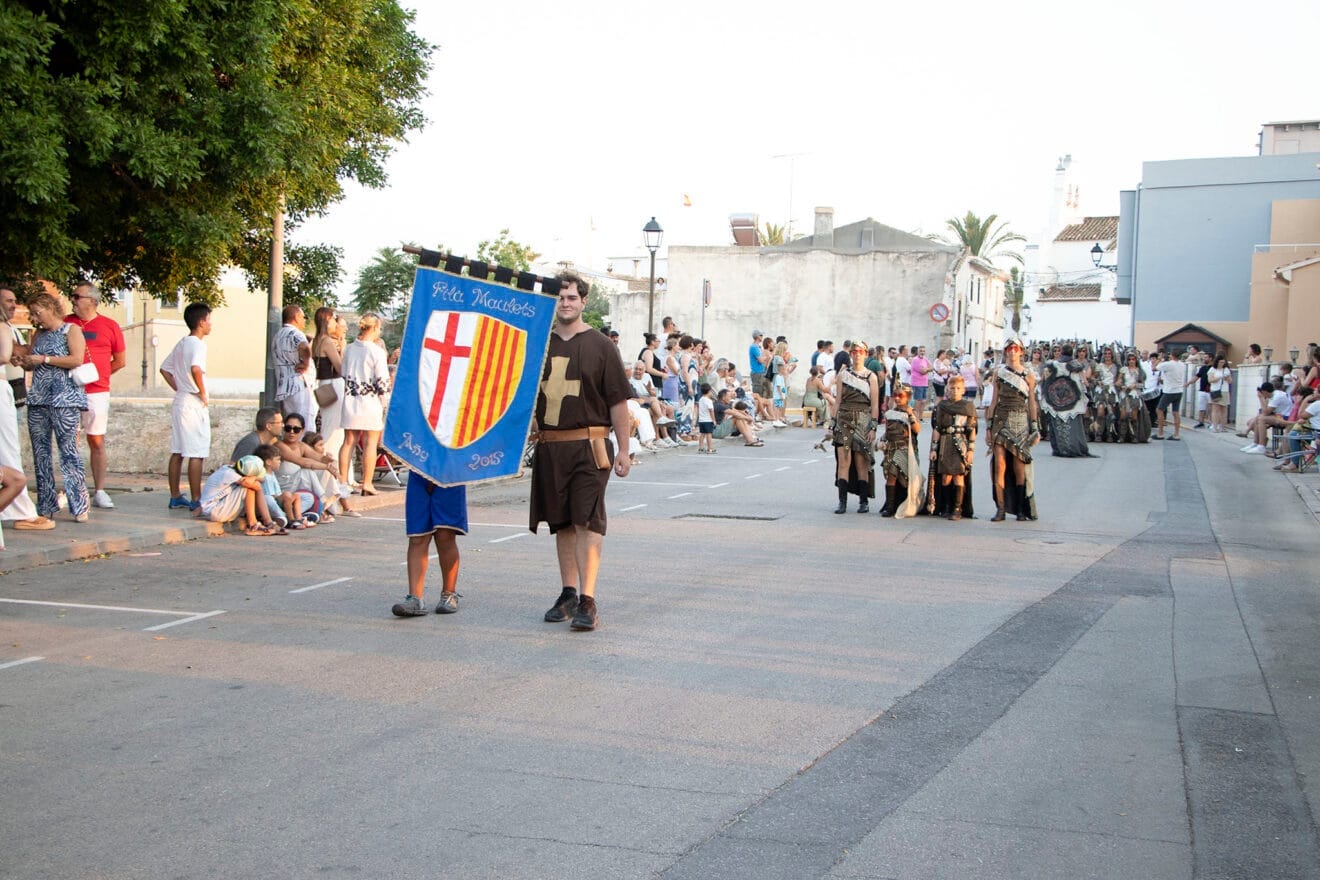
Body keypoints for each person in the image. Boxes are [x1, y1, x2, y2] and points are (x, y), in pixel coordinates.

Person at [531, 271, 632, 632]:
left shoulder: (602, 346)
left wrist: (624, 450)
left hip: (590, 446)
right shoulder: (539, 344)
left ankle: (588, 599)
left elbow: (618, 402)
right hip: (551, 447)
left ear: (583, 301)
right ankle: (568, 593)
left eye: (572, 297)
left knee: (586, 519)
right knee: (561, 522)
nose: (565, 303)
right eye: (560, 298)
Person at [18, 293, 90, 523]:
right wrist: (26, 362)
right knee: (40, 453)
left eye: (37, 313)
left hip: (64, 398)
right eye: (32, 314)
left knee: (69, 452)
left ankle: (79, 504)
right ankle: (46, 504)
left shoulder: (71, 330)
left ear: (50, 308)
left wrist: (45, 359)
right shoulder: (38, 334)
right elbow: (33, 360)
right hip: (39, 398)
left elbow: (76, 359)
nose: (35, 318)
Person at [64, 282, 126, 509]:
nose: (72, 300)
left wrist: (96, 375)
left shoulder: (109, 325)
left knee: (96, 440)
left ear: (92, 300)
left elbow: (120, 360)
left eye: (77, 296)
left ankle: (99, 490)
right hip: (69, 389)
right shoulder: (66, 322)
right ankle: (72, 489)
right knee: (69, 440)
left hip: (97, 391)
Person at [0, 287, 53, 530]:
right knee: (8, 448)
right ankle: (22, 510)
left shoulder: (9, 327)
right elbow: (6, 355)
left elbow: (19, 355)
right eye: (8, 301)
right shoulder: (2, 326)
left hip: (11, 390)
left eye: (14, 301)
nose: (13, 305)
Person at [390, 471, 468, 617]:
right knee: (418, 536)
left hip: (450, 472)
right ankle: (415, 598)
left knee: (445, 535)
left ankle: (449, 593)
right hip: (419, 471)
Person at [160, 303, 212, 510]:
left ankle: (175, 495)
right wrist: (201, 391)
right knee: (196, 452)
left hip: (181, 399)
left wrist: (179, 387)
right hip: (192, 402)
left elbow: (165, 369)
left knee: (178, 450)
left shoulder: (182, 343)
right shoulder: (198, 345)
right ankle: (196, 498)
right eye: (209, 320)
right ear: (201, 322)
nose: (210, 325)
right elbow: (196, 368)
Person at [985, 337, 1039, 522]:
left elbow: (1031, 403)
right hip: (1001, 420)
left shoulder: (1028, 375)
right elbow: (994, 401)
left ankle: (1021, 508)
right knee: (999, 465)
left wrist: (1034, 427)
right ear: (1005, 351)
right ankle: (1000, 509)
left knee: (1019, 465)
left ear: (1021, 351)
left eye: (1016, 348)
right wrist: (988, 427)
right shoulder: (998, 372)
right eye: (1009, 348)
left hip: (1020, 421)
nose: (1012, 351)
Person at [338, 313, 391, 494]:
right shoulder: (377, 352)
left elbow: (344, 373)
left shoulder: (349, 349)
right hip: (370, 401)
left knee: (348, 441)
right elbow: (382, 381)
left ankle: (343, 482)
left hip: (351, 398)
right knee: (370, 443)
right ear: (375, 327)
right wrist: (385, 402)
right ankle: (367, 483)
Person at [830, 341, 880, 514]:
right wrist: (831, 424)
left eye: (860, 351)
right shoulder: (843, 375)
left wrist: (873, 427)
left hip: (863, 421)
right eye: (854, 351)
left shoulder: (871, 377)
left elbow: (875, 405)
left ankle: (863, 501)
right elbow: (837, 401)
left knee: (861, 462)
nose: (857, 354)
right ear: (850, 354)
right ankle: (842, 502)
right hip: (843, 420)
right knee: (843, 462)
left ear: (865, 354)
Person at [924, 373, 976, 519]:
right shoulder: (942, 406)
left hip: (961, 443)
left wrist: (971, 450)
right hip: (945, 443)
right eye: (952, 388)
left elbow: (972, 430)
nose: (955, 391)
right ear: (947, 390)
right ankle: (947, 506)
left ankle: (957, 508)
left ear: (963, 390)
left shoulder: (968, 407)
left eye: (958, 388)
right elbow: (937, 428)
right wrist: (934, 449)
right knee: (946, 477)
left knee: (958, 476)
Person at [197, 455, 281, 536]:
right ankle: (253, 525)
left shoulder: (231, 468)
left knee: (254, 484)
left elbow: (262, 479)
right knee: (250, 487)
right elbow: (255, 485)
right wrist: (255, 481)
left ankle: (268, 522)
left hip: (217, 508)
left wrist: (254, 478)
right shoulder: (229, 473)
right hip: (214, 510)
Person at [1039, 344, 1092, 457]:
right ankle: (1073, 447)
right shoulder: (1077, 366)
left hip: (1055, 399)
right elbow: (1084, 383)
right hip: (1072, 400)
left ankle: (1059, 449)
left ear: (1062, 352)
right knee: (1073, 424)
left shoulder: (1051, 365)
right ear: (1072, 353)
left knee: (1057, 423)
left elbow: (1044, 381)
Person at [878, 383, 921, 518]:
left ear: (908, 397)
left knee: (902, 478)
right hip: (891, 449)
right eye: (895, 395)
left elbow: (917, 429)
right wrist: (882, 441)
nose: (897, 398)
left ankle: (902, 503)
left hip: (905, 449)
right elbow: (887, 432)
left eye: (900, 396)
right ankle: (890, 506)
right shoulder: (890, 413)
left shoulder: (912, 412)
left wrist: (910, 415)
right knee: (891, 476)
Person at [310, 306, 346, 462]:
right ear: (327, 321)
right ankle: (328, 460)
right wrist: (342, 349)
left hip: (324, 384)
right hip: (334, 384)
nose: (335, 323)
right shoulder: (327, 341)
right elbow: (340, 367)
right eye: (333, 320)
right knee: (334, 428)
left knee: (328, 423)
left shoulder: (317, 340)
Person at [273, 304, 316, 424]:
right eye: (303, 317)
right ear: (296, 317)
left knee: (292, 421)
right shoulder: (295, 333)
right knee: (305, 421)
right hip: (299, 384)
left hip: (285, 386)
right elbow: (304, 347)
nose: (304, 320)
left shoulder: (278, 335)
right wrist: (306, 363)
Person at [1117, 350, 1152, 443]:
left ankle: (1134, 436)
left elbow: (1143, 384)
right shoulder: (1123, 369)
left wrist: (1135, 385)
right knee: (1123, 415)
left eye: (1133, 359)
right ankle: (1122, 436)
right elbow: (1118, 381)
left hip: (1135, 394)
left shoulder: (1140, 371)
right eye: (1129, 359)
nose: (1131, 361)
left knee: (1134, 416)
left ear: (1136, 360)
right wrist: (1121, 385)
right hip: (1124, 394)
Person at [1154, 349, 1188, 441]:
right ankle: (1176, 434)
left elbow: (1154, 368)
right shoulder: (1182, 365)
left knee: (1159, 410)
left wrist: (1159, 359)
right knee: (1175, 412)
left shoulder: (1168, 364)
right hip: (1179, 390)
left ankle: (1160, 433)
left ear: (1171, 355)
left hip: (1169, 390)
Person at [1206, 354, 1231, 433]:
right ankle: (1215, 427)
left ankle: (1223, 427)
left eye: (1223, 362)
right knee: (1215, 409)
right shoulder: (1212, 369)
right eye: (1220, 362)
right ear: (1217, 362)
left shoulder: (1226, 369)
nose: (1222, 364)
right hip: (1215, 390)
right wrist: (1219, 377)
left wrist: (1227, 378)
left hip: (1225, 390)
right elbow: (1210, 380)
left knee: (1224, 409)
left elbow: (1230, 381)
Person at [909, 346, 931, 420]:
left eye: (923, 351)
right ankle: (916, 417)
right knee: (918, 400)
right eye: (921, 351)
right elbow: (922, 371)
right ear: (918, 352)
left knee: (923, 401)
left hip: (924, 383)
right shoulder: (915, 360)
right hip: (917, 383)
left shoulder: (925, 359)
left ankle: (921, 417)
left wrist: (926, 369)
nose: (922, 352)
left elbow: (932, 367)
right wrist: (927, 369)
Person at [696, 382, 716, 454]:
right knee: (708, 434)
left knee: (702, 434)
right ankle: (710, 448)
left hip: (701, 420)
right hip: (708, 420)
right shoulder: (709, 400)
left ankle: (701, 448)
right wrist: (714, 420)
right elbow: (711, 411)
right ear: (709, 391)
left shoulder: (701, 399)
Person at [748, 330, 768, 399]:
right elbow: (761, 360)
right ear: (757, 337)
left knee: (762, 393)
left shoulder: (758, 347)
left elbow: (762, 359)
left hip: (761, 372)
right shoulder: (754, 347)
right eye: (761, 335)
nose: (762, 337)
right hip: (757, 373)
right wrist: (767, 357)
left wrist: (763, 357)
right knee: (757, 394)